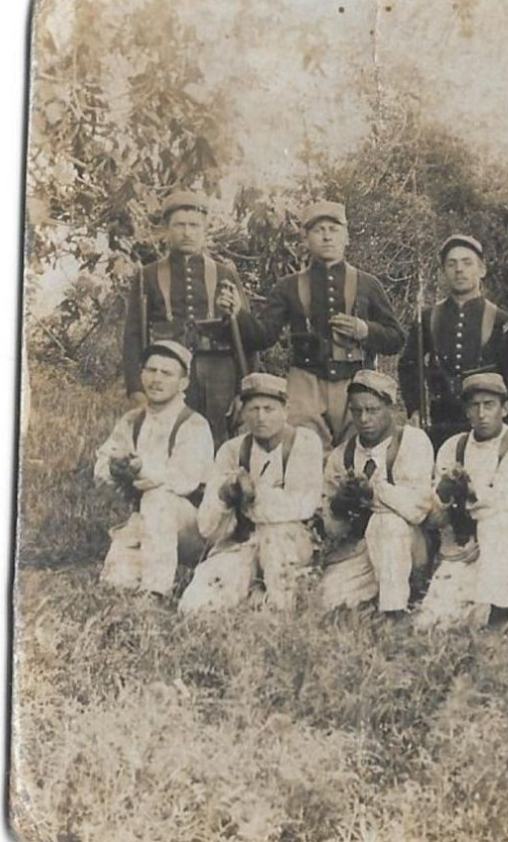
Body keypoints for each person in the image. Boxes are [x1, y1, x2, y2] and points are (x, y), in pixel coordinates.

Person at [238, 201, 406, 447]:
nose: (327, 236)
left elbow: (396, 338)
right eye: (318, 230)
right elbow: (264, 336)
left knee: (357, 452)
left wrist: (366, 330)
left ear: (346, 237)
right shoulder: (288, 286)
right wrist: (237, 314)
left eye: (333, 229)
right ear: (305, 239)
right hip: (306, 383)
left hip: (356, 381)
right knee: (303, 450)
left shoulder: (367, 284)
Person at [122, 190, 259, 448]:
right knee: (167, 438)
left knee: (218, 439)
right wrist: (136, 388)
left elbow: (245, 334)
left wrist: (247, 389)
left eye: (194, 225)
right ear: (167, 230)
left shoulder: (224, 273)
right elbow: (132, 335)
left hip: (218, 372)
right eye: (180, 225)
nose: (187, 232)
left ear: (204, 229)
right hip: (170, 371)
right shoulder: (147, 277)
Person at [180, 373, 324, 614]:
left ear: (285, 410)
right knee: (197, 605)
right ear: (243, 413)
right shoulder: (231, 450)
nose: (261, 417)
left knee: (276, 545)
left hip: (290, 542)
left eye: (269, 409)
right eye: (253, 409)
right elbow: (207, 526)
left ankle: (280, 605)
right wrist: (225, 496)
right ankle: (252, 593)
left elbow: (302, 505)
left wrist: (253, 495)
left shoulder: (305, 443)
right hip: (243, 540)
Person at [415, 373, 508, 631]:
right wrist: (443, 493)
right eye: (475, 406)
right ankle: (489, 610)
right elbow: (436, 517)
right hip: (464, 547)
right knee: (432, 624)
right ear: (466, 411)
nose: (482, 413)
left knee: (497, 523)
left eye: (489, 405)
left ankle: (498, 616)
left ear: (505, 408)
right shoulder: (453, 447)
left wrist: (472, 491)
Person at [93, 339, 215, 600]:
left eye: (167, 373)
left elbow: (184, 479)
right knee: (115, 584)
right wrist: (115, 468)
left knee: (158, 499)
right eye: (151, 370)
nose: (156, 379)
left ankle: (156, 590)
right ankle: (130, 582)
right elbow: (103, 462)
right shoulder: (132, 420)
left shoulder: (193, 424)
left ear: (183, 383)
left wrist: (139, 468)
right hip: (147, 521)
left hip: (191, 528)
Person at [317, 370, 435, 619]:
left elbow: (418, 508)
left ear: (391, 408)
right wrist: (340, 505)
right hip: (362, 550)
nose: (364, 419)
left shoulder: (412, 442)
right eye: (357, 411)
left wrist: (374, 493)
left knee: (386, 523)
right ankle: (376, 599)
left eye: (373, 409)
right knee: (327, 600)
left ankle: (395, 613)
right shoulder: (342, 455)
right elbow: (331, 527)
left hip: (409, 545)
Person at [398, 234, 508, 452]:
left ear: (481, 269)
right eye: (451, 264)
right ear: (443, 272)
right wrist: (415, 409)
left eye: (467, 263)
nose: (459, 270)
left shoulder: (501, 321)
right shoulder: (428, 318)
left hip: (487, 425)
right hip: (440, 423)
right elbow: (409, 365)